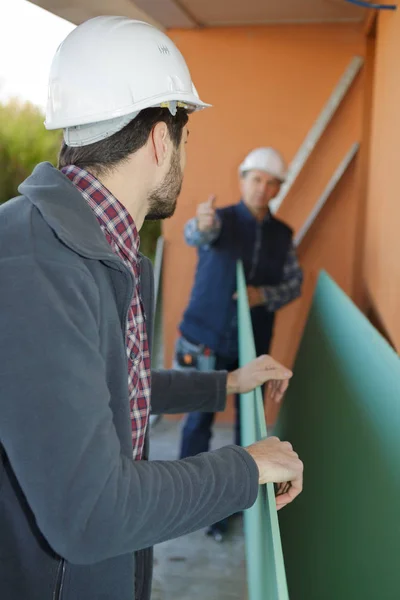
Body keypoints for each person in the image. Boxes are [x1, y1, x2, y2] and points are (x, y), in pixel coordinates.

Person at [0, 17, 303, 600]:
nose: (187, 153)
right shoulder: (34, 262)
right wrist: (247, 466)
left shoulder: (105, 248)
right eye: (187, 138)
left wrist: (224, 384)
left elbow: (113, 385)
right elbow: (89, 514)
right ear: (162, 141)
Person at [177, 147, 304, 540]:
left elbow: (293, 283)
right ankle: (187, 500)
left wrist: (261, 297)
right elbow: (198, 233)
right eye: (256, 179)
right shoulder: (219, 221)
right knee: (198, 420)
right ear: (242, 179)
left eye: (271, 183)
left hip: (251, 348)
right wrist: (200, 222)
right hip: (205, 340)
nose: (262, 189)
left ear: (279, 188)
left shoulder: (283, 235)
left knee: (246, 430)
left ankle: (236, 500)